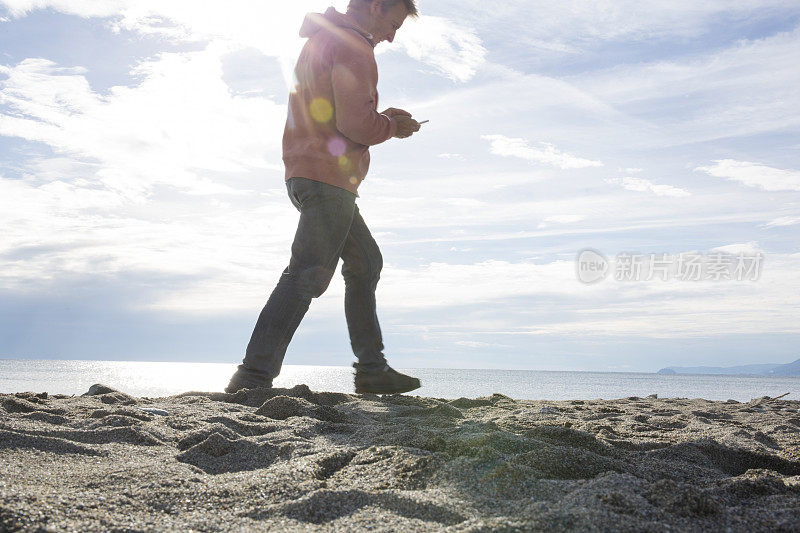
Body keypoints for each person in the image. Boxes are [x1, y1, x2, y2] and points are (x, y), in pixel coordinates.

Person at [225, 0, 422, 395]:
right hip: (327, 180)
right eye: (392, 23)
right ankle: (253, 377)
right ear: (375, 6)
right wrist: (392, 127)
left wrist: (381, 119)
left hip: (306, 173)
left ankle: (371, 369)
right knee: (306, 275)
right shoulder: (355, 47)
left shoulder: (321, 39)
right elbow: (355, 125)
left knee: (366, 262)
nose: (392, 35)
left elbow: (333, 112)